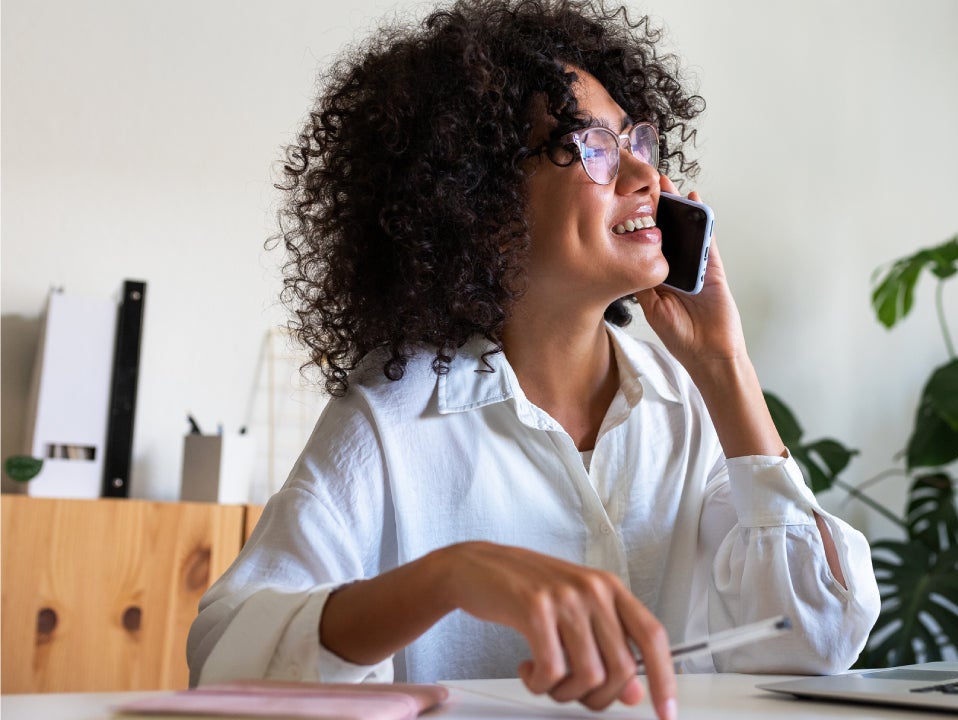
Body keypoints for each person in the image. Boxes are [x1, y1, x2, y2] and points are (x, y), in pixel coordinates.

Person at [187, 1, 879, 718]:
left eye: (637, 139)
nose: (644, 172)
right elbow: (228, 655)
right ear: (480, 204)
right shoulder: (392, 416)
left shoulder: (686, 400)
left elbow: (817, 638)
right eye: (594, 146)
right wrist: (447, 577)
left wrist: (724, 366)